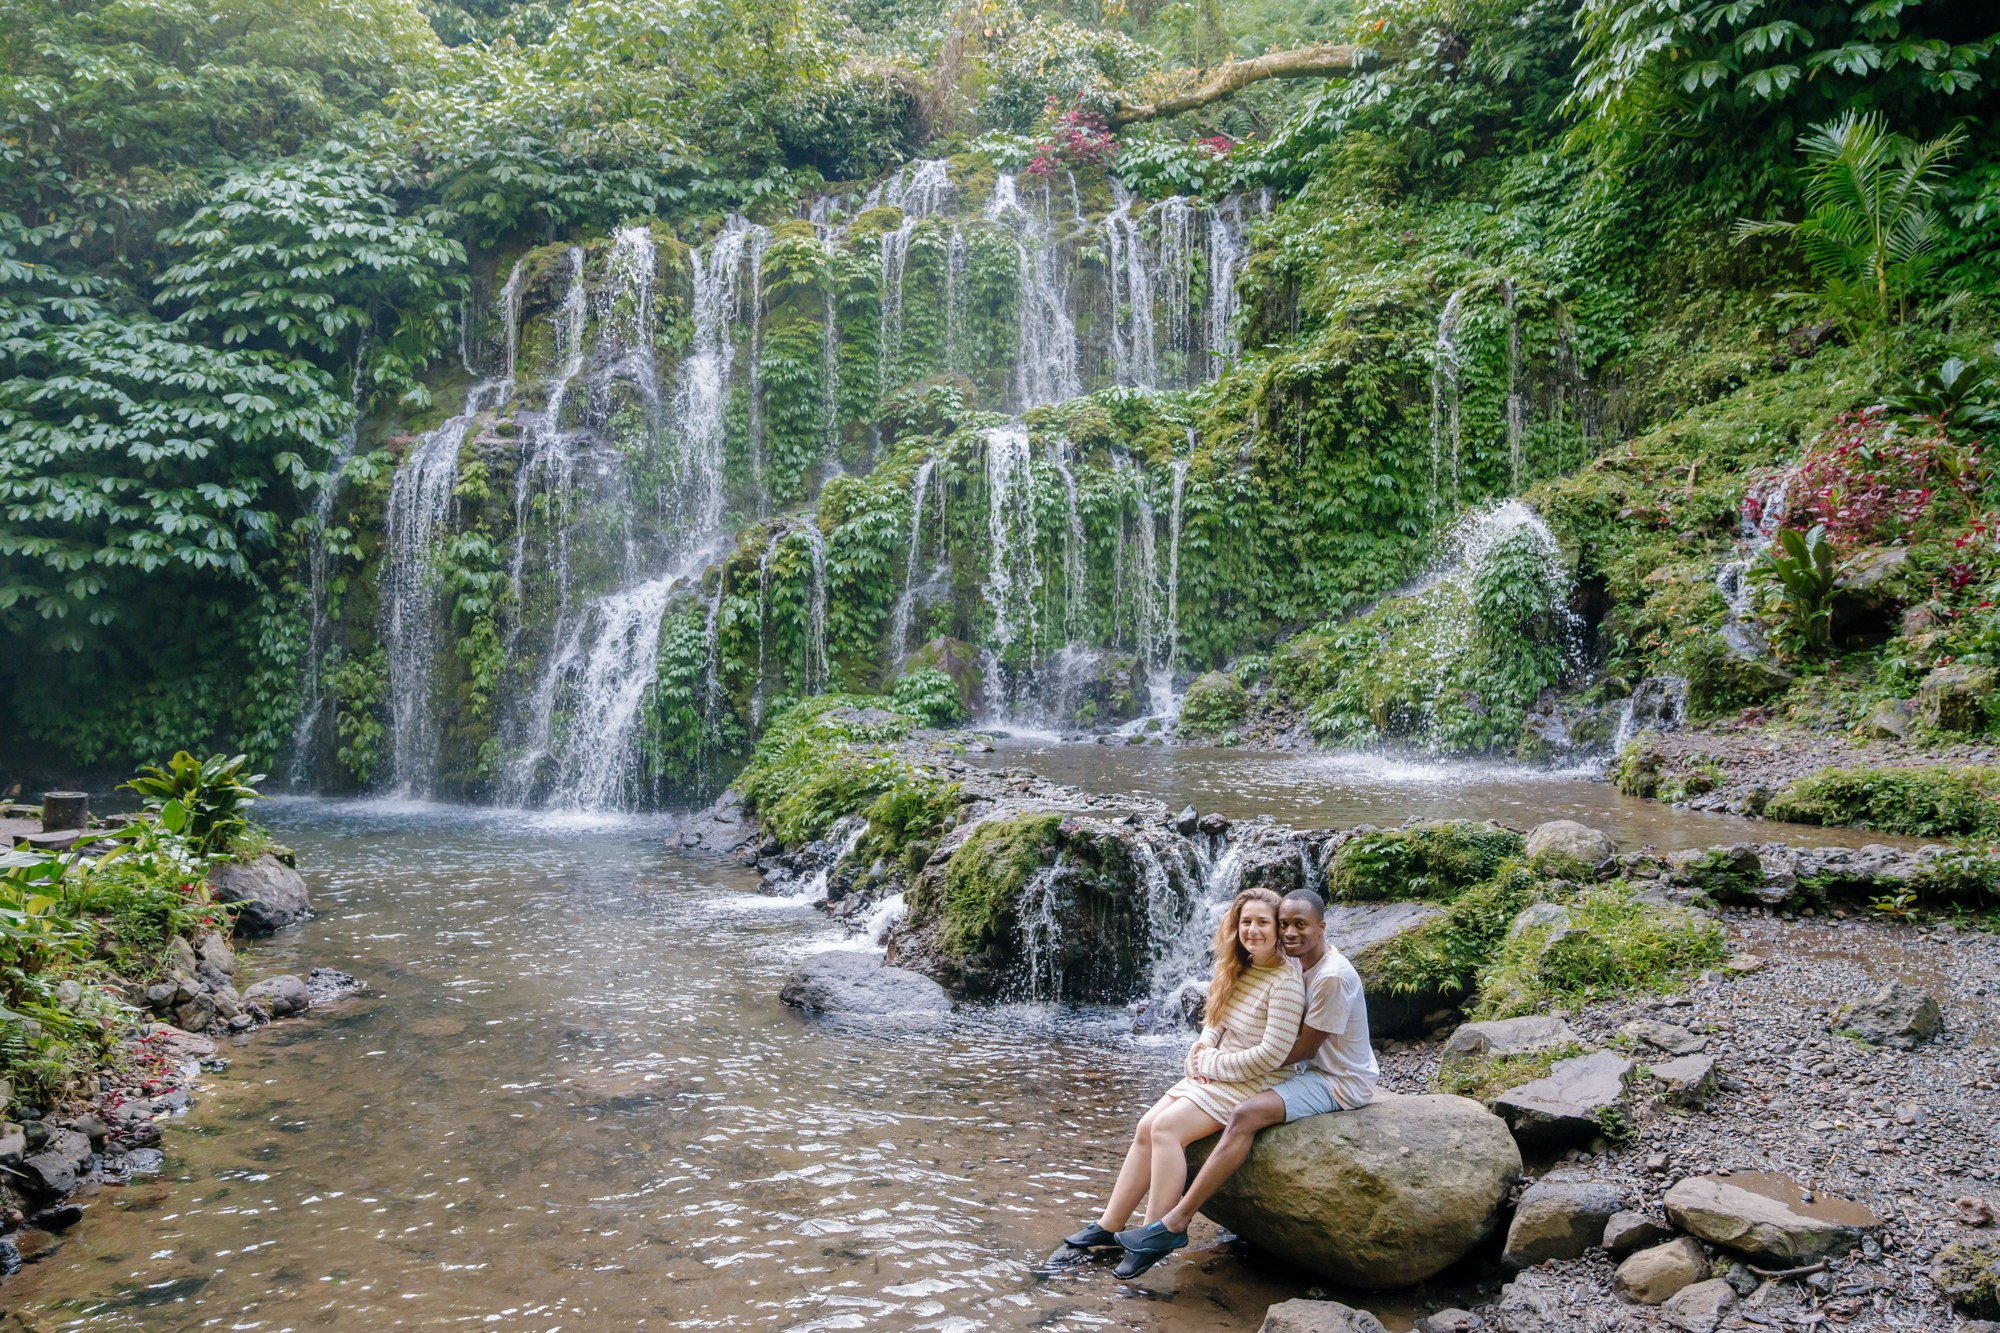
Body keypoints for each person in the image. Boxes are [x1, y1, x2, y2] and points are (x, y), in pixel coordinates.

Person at [1117, 887, 1377, 1272]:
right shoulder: (1297, 963)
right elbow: (1240, 1026)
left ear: (1322, 927)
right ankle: (1131, 1226)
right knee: (1153, 1124)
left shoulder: (1330, 978)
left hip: (1338, 1080)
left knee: (1245, 1115)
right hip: (1307, 1070)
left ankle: (1174, 1223)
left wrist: (1223, 1065)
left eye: (1299, 925)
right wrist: (1218, 1057)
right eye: (1285, 924)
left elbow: (1296, 1051)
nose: (1289, 933)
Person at [1062, 885, 1305, 1279]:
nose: (1253, 930)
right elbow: (1214, 1020)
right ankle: (1110, 1225)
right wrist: (1202, 1047)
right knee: (1145, 1127)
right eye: (1246, 922)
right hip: (1217, 1070)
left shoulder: (1286, 981)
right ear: (1236, 926)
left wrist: (1210, 1063)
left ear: (1278, 929)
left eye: (1263, 922)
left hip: (1253, 1081)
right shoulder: (1237, 966)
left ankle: (1153, 1233)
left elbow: (1272, 1055)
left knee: (1167, 1130)